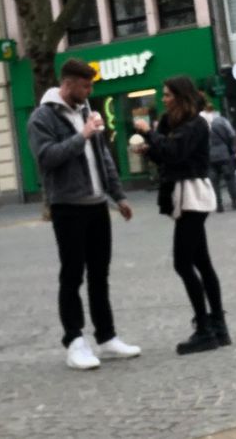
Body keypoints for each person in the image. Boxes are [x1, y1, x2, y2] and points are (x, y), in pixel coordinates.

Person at [27, 58, 140, 370]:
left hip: (97, 205)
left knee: (99, 274)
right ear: (67, 84)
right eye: (86, 86)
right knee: (72, 274)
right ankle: (74, 341)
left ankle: (106, 337)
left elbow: (103, 156)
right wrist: (83, 135)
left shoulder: (86, 111)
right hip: (67, 206)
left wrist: (118, 196)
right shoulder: (42, 117)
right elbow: (46, 158)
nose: (90, 91)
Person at [131, 76, 230, 355]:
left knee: (183, 263)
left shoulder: (196, 123)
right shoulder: (172, 122)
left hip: (193, 195)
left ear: (181, 96)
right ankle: (218, 326)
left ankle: (205, 328)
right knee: (201, 261)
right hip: (181, 193)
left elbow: (175, 152)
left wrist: (150, 134)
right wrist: (149, 150)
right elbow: (167, 156)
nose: (163, 99)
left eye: (168, 95)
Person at [200, 102, 236, 212]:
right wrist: (232, 148)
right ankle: (235, 200)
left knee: (214, 181)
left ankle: (218, 205)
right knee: (230, 179)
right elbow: (232, 134)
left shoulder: (201, 123)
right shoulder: (221, 120)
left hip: (210, 156)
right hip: (224, 154)